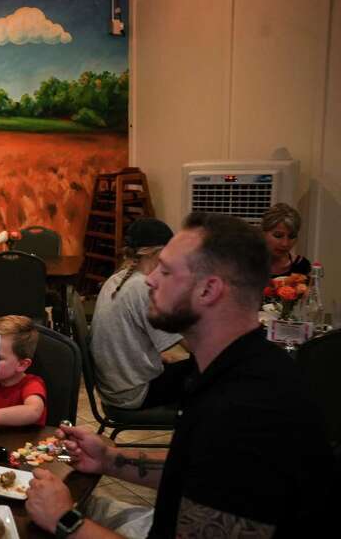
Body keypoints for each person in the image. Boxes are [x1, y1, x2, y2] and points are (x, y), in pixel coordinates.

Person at [25, 212, 331, 538]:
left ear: (208, 290)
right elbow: (200, 467)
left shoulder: (248, 411)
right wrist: (111, 458)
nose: (152, 279)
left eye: (166, 270)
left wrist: (65, 521)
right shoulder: (224, 369)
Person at [90, 218, 193, 410]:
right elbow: (191, 345)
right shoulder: (143, 288)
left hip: (115, 388)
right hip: (134, 393)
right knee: (213, 369)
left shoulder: (115, 280)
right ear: (158, 252)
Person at [262, 202, 311, 278]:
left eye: (292, 236)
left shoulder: (301, 265)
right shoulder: (247, 264)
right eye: (278, 236)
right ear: (263, 233)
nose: (285, 244)